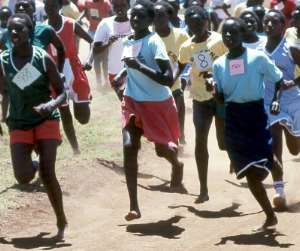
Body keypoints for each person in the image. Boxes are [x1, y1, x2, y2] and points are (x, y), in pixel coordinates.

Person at [0, 13, 67, 238]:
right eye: (10, 29)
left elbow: (62, 92)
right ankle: (34, 165)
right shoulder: (2, 60)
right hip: (19, 122)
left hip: (46, 119)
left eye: (19, 29)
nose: (14, 33)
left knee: (48, 174)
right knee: (23, 177)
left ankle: (61, 221)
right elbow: (3, 91)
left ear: (30, 32)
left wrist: (50, 104)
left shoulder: (42, 57)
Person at [115, 0, 184, 221]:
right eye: (132, 16)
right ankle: (134, 205)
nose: (135, 20)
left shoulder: (154, 42)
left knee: (162, 150)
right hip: (132, 101)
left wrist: (138, 67)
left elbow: (167, 79)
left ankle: (176, 164)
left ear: (150, 20)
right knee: (128, 146)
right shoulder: (127, 40)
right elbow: (130, 64)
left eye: (140, 17)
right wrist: (123, 75)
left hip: (157, 104)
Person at [213, 17, 283, 230]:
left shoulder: (258, 58)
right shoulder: (218, 64)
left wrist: (276, 100)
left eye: (233, 33)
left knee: (261, 166)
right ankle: (270, 216)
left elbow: (278, 79)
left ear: (242, 34)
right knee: (250, 174)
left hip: (255, 114)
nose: (228, 37)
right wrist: (213, 89)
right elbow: (221, 99)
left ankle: (273, 168)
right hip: (233, 118)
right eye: (225, 33)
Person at [178, 6, 227, 203]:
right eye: (192, 24)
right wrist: (179, 79)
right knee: (200, 140)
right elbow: (181, 67)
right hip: (200, 99)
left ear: (207, 21)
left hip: (221, 97)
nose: (196, 27)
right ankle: (203, 189)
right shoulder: (187, 47)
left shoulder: (219, 40)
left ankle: (234, 157)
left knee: (223, 143)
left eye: (199, 22)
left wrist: (217, 76)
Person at [263, 10, 300, 201]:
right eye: (266, 22)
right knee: (275, 143)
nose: (269, 25)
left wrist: (292, 83)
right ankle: (279, 190)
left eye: (274, 22)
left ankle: (294, 134)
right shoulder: (259, 49)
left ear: (283, 26)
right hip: (270, 102)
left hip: (293, 101)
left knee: (295, 149)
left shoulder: (291, 48)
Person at [45, 0, 92, 130]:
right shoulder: (42, 29)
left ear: (60, 7)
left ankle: (83, 96)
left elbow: (92, 42)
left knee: (83, 119)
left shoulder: (70, 24)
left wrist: (89, 60)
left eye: (53, 5)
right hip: (56, 76)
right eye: (47, 6)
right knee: (65, 115)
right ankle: (75, 148)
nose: (49, 9)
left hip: (75, 73)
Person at [153, 1, 189, 145]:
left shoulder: (181, 36)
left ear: (169, 16)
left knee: (179, 105)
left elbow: (186, 59)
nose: (157, 19)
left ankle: (181, 134)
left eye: (161, 16)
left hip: (174, 81)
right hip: (154, 83)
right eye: (154, 16)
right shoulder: (149, 37)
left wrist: (178, 77)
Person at [91, 0, 131, 88]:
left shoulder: (136, 22)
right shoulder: (105, 23)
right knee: (122, 100)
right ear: (112, 6)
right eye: (116, 5)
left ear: (129, 5)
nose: (119, 8)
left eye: (123, 5)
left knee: (135, 100)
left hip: (135, 72)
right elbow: (96, 49)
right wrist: (108, 43)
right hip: (115, 72)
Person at [82, 0, 113, 86]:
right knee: (96, 58)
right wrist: (90, 21)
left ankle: (106, 80)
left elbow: (112, 16)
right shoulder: (88, 2)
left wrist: (101, 20)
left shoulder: (106, 3)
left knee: (105, 59)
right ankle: (99, 81)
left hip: (104, 33)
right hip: (92, 32)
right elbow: (85, 13)